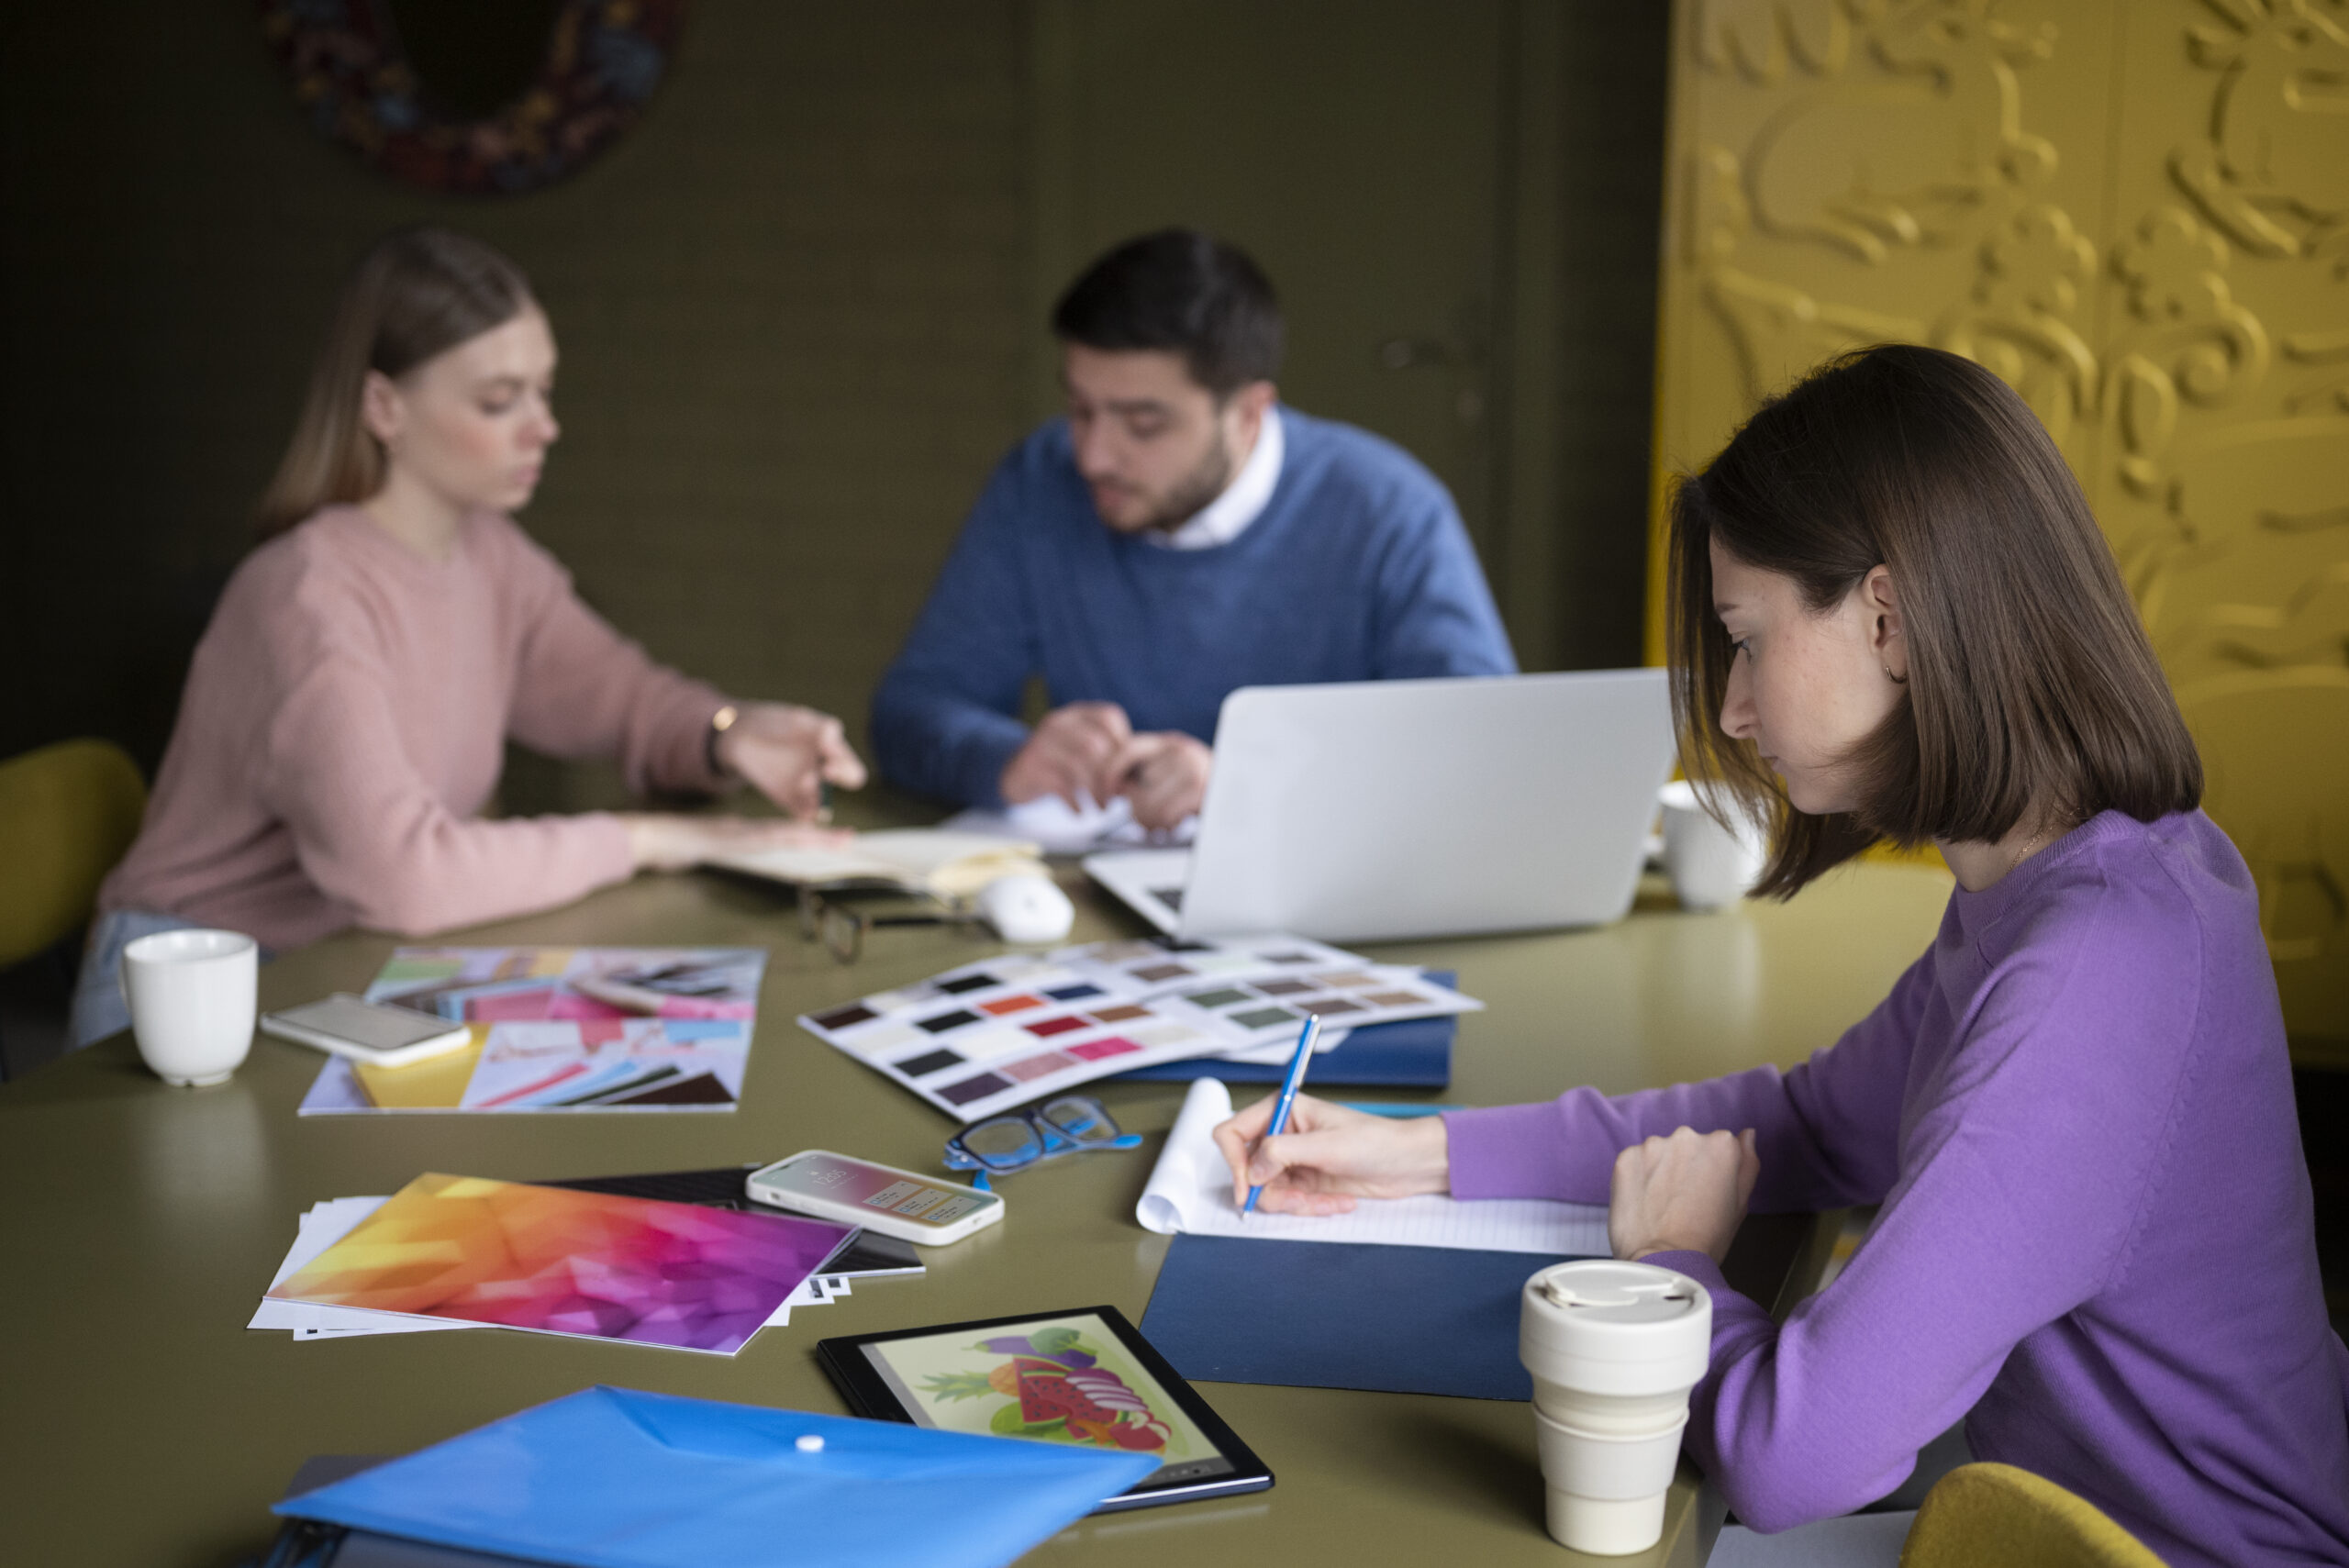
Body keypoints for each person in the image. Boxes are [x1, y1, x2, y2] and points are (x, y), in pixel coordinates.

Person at [1214, 345, 2349, 1566]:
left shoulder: (2094, 971)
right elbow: (1812, 1122)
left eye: (1748, 639)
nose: (1735, 708)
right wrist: (1418, 1153)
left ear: (1888, 619)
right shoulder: (2076, 882)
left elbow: (1791, 1457)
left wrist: (1671, 1267)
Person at [73, 228, 864, 1047]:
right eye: (499, 401)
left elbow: (619, 696)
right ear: (384, 408)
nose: (544, 428)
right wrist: (651, 838)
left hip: (344, 964)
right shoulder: (306, 597)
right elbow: (407, 877)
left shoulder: (489, 554)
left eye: (544, 392)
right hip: (192, 992)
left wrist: (730, 732)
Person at [869, 228, 1516, 829]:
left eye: (1144, 424)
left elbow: (1483, 754)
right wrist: (1006, 757)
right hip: (1094, 891)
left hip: (1326, 893)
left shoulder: (1388, 510)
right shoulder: (1040, 482)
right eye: (1080, 409)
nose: (1093, 456)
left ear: (1250, 413)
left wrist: (1247, 784)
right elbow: (912, 709)